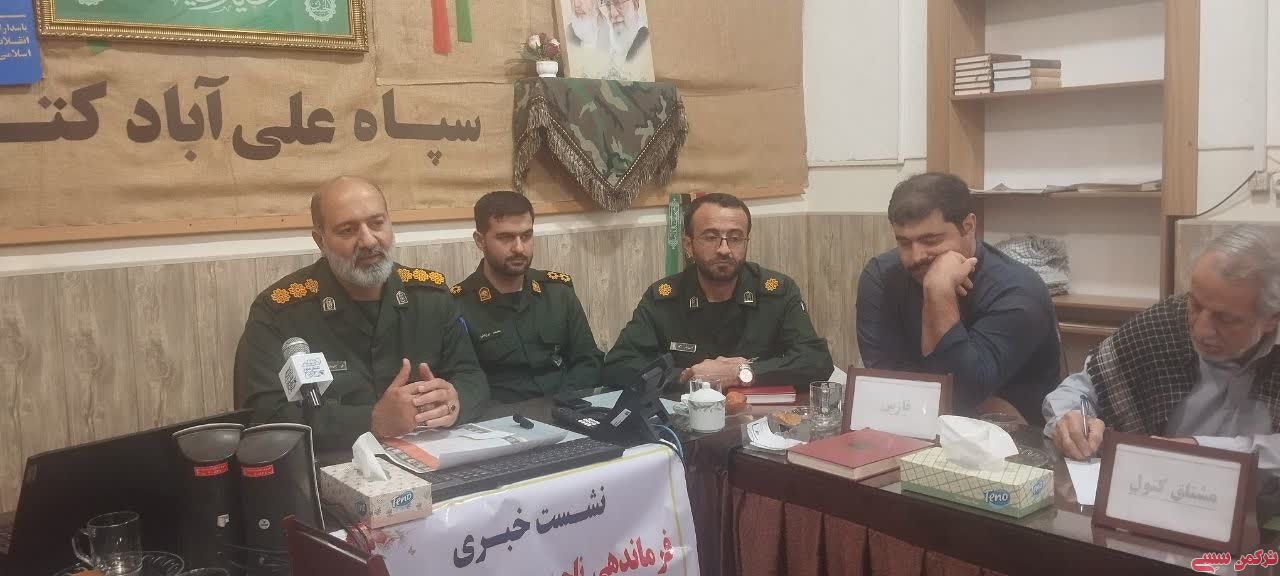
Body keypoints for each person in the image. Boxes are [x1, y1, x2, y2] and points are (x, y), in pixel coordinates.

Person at [234, 176, 488, 451]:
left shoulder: (430, 297)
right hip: (331, 462)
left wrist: (455, 401)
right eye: (347, 230)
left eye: (377, 223)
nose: (368, 240)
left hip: (431, 453)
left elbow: (471, 376)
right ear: (320, 240)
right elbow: (264, 416)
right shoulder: (279, 312)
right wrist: (371, 421)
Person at [1045, 225, 1280, 463]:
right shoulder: (1165, 325)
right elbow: (1080, 389)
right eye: (1196, 305)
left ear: (1271, 318)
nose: (1201, 330)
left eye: (1226, 318)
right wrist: (1072, 417)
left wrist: (1200, 449)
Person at [856, 172, 1061, 424]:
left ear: (968, 226)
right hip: (915, 424)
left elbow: (962, 390)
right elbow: (884, 381)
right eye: (904, 242)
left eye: (930, 240)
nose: (916, 256)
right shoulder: (881, 276)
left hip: (1015, 438)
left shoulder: (1018, 291)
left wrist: (938, 292)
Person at [604, 193, 833, 389]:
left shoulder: (777, 292)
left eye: (735, 238)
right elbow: (618, 366)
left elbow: (816, 362)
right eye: (711, 237)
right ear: (688, 245)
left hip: (761, 416)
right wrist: (685, 376)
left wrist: (741, 373)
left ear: (746, 242)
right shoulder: (664, 298)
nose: (724, 249)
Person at [451, 191, 604, 403]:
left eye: (526, 236)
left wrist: (564, 403)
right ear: (480, 241)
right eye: (505, 237)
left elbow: (588, 360)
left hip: (566, 407)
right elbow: (463, 383)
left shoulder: (558, 293)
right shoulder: (458, 305)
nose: (519, 248)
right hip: (501, 417)